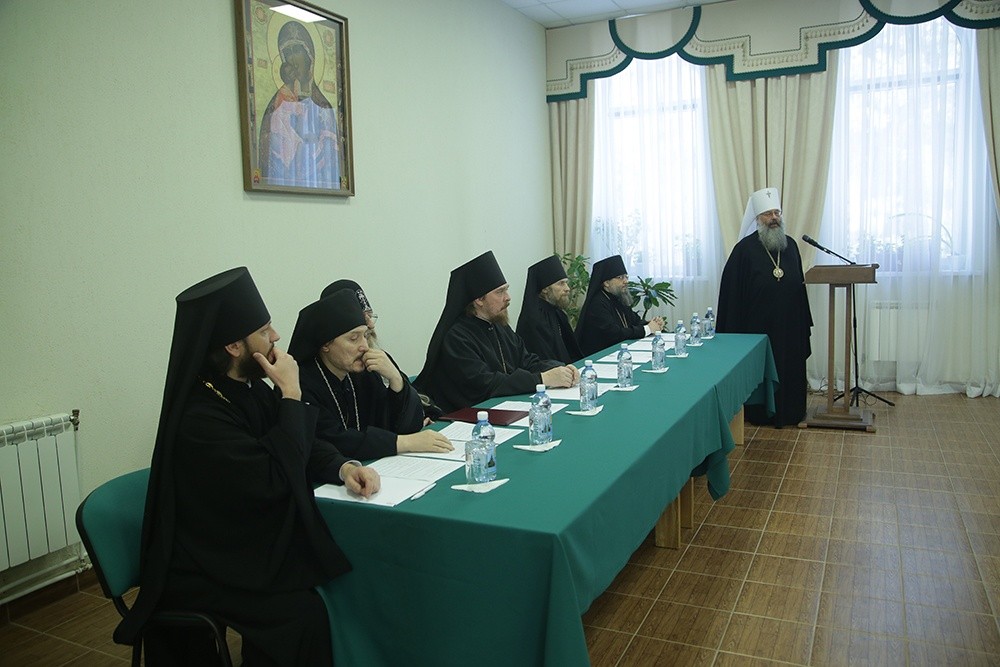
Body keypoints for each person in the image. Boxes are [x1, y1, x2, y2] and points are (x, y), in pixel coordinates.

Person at [116, 267, 380, 666]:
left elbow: (301, 445)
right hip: (208, 560)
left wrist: (342, 467)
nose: (275, 336)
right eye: (264, 329)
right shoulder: (200, 416)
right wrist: (291, 392)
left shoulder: (249, 388)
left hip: (245, 539)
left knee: (337, 578)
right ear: (233, 346)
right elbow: (274, 479)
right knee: (304, 615)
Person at [289, 288, 453, 459]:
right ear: (325, 345)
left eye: (365, 336)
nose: (364, 346)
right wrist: (406, 443)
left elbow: (397, 425)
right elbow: (331, 440)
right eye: (354, 338)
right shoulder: (300, 384)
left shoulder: (363, 373)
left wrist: (396, 380)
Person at [414, 251, 579, 413]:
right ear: (479, 300)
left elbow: (528, 361)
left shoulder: (499, 325)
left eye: (506, 290)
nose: (508, 297)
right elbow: (486, 383)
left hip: (504, 408)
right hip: (467, 416)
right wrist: (543, 379)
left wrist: (560, 368)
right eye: (500, 292)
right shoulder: (456, 337)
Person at [717, 187, 812, 427]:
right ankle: (761, 413)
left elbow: (799, 288)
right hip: (757, 329)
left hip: (790, 326)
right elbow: (731, 296)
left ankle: (792, 411)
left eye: (777, 213)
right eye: (768, 214)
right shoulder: (743, 251)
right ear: (757, 218)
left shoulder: (790, 245)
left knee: (789, 367)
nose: (774, 218)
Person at [320, 278, 444, 421]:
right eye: (361, 317)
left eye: (370, 315)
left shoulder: (377, 358)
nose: (371, 324)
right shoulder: (322, 377)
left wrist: (396, 379)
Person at [258, 20, 342, 189]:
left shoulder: (323, 106)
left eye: (297, 50)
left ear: (310, 55)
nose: (293, 61)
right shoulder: (277, 104)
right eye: (287, 53)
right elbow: (268, 152)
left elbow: (333, 160)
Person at [575, 254, 665, 357]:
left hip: (619, 353)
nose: (626, 281)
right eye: (620, 277)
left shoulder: (618, 298)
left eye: (626, 277)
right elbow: (615, 334)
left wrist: (652, 324)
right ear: (606, 283)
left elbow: (635, 321)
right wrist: (648, 329)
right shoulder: (597, 304)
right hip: (600, 357)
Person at [515, 255, 583, 364]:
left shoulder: (557, 313)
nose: (567, 288)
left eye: (566, 283)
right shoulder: (534, 319)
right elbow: (544, 361)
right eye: (561, 284)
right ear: (545, 289)